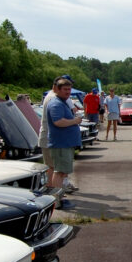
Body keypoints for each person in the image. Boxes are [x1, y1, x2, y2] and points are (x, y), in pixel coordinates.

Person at [46, 76, 83, 209]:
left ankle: (59, 199)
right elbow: (58, 122)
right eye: (65, 89)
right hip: (60, 144)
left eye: (69, 89)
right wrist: (75, 121)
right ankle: (57, 201)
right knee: (59, 172)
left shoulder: (62, 102)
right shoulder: (56, 104)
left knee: (61, 172)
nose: (68, 92)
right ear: (57, 89)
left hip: (65, 144)